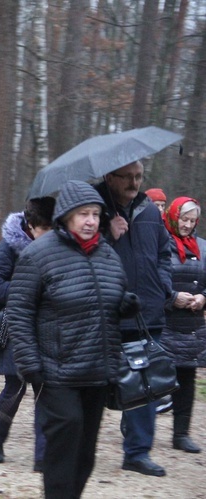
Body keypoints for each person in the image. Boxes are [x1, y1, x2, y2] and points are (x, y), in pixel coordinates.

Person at [8, 180, 134, 498]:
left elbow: (110, 301)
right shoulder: (39, 254)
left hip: (96, 369)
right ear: (65, 216)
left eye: (95, 214)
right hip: (55, 370)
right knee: (65, 443)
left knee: (86, 453)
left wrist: (124, 304)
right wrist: (30, 365)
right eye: (83, 214)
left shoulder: (107, 255)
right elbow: (19, 313)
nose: (91, 221)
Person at [96, 160, 173, 477]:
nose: (134, 183)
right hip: (104, 313)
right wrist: (107, 233)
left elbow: (164, 253)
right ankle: (76, 444)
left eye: (139, 177)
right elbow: (73, 252)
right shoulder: (92, 208)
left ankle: (138, 452)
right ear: (109, 177)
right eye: (127, 177)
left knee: (146, 385)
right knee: (92, 384)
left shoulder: (151, 212)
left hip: (147, 312)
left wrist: (163, 286)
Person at [0, 197, 55, 471]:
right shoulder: (9, 248)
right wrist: (25, 293)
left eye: (52, 229)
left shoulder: (59, 248)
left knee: (45, 391)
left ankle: (43, 456)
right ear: (30, 224)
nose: (47, 236)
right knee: (15, 387)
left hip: (48, 330)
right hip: (15, 328)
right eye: (43, 229)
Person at [160, 197, 206, 454]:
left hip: (191, 325)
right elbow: (152, 281)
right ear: (173, 216)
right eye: (183, 219)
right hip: (164, 322)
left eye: (192, 220)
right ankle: (137, 435)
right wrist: (172, 298)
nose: (187, 225)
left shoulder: (203, 247)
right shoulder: (160, 243)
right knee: (154, 379)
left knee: (186, 379)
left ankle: (181, 434)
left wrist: (203, 298)